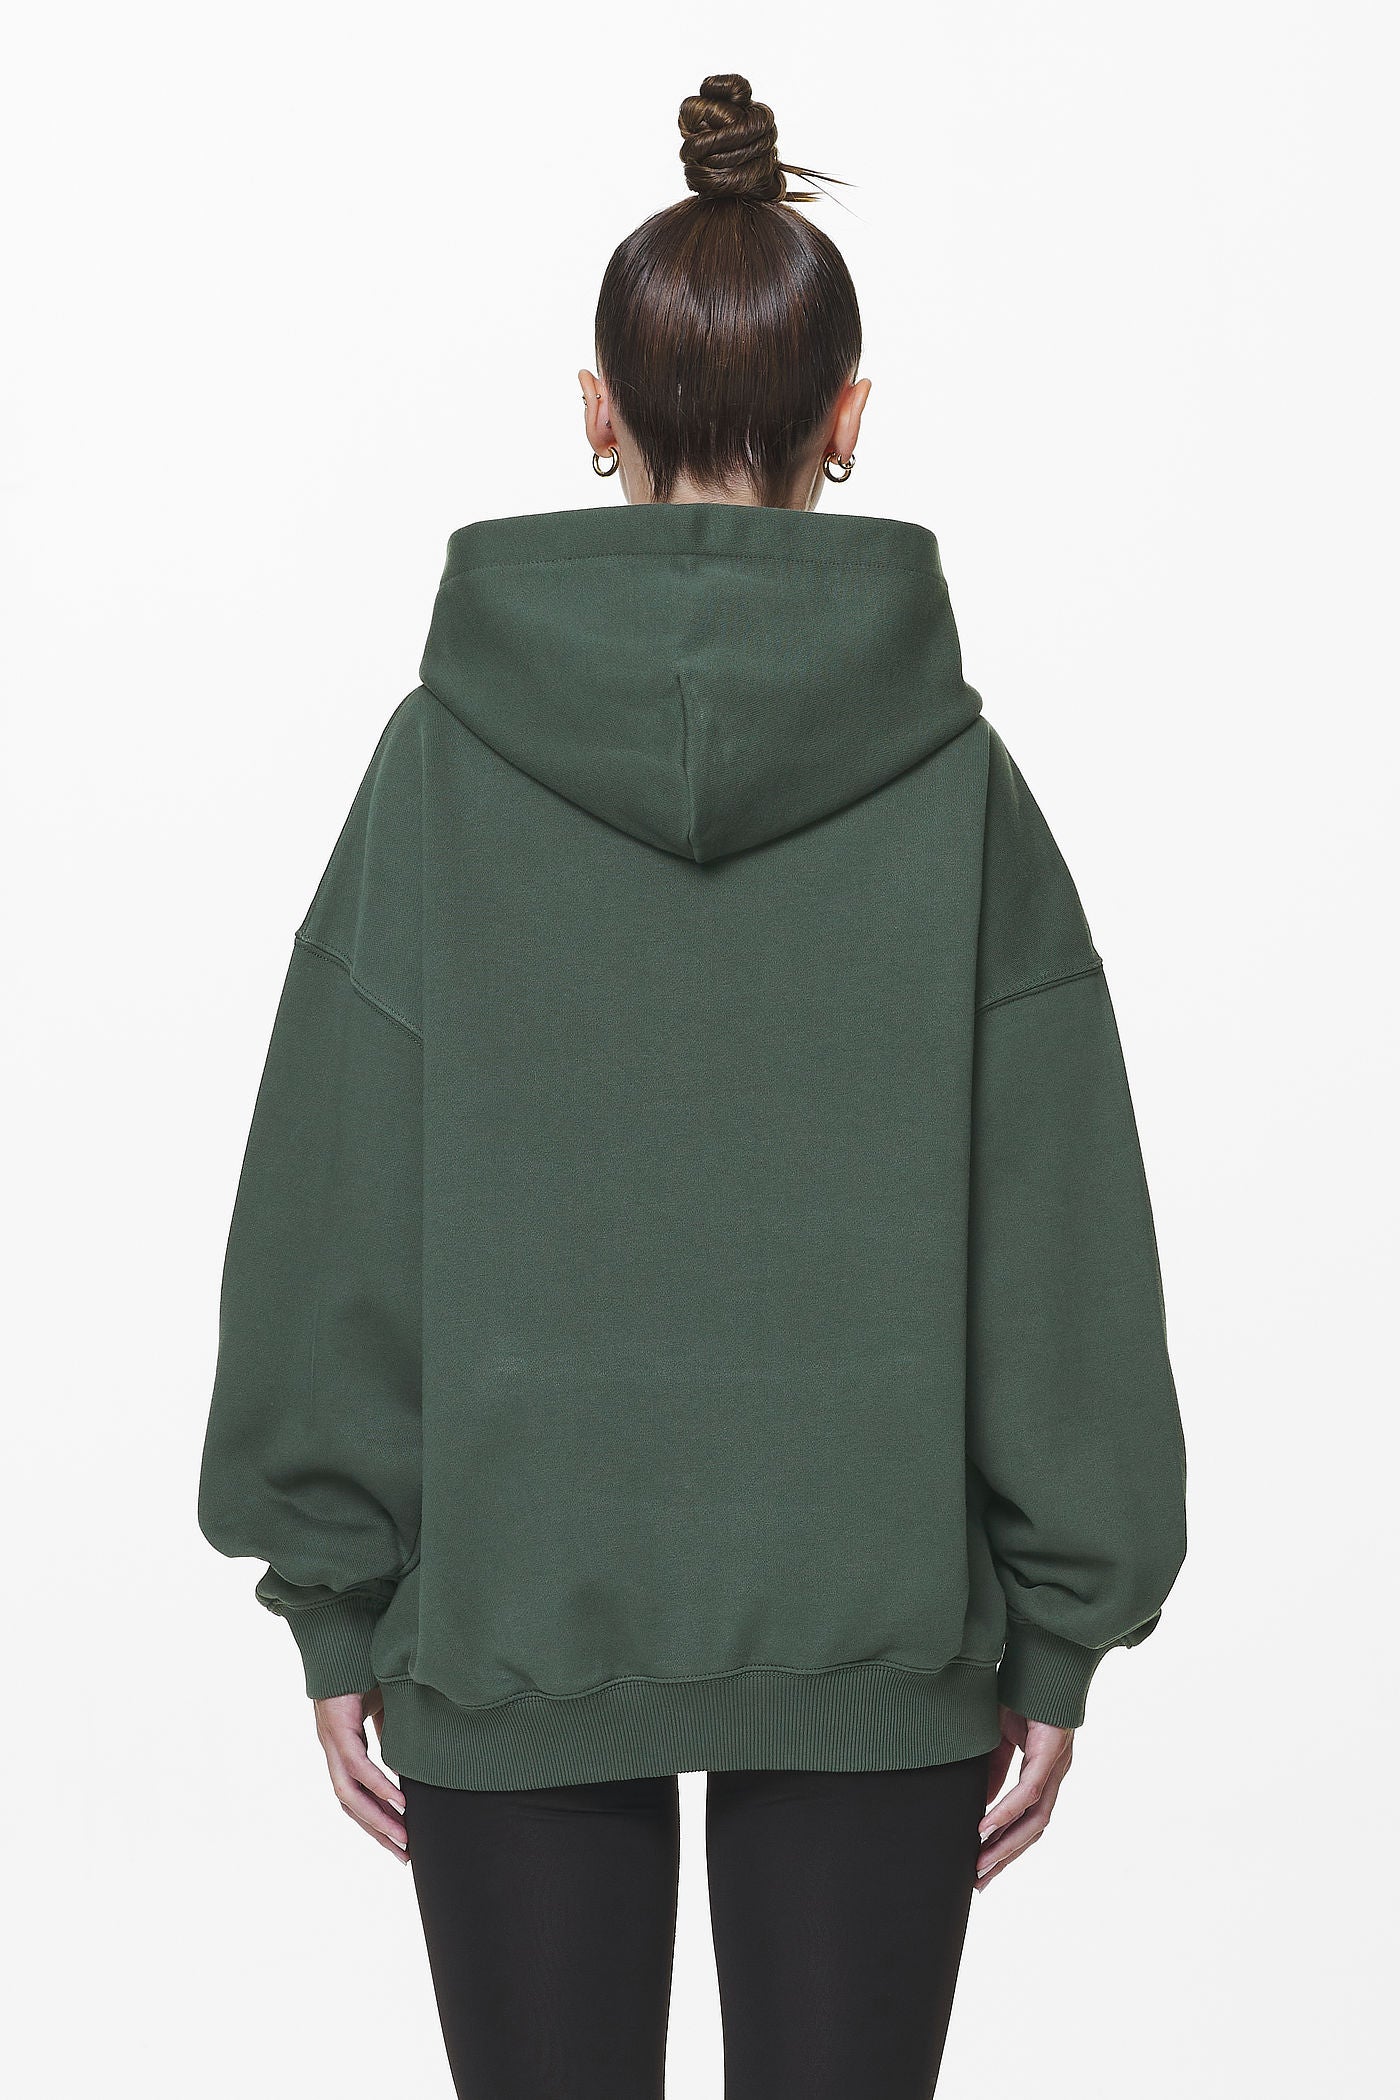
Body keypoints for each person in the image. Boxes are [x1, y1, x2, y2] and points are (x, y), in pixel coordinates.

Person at [197, 72, 1188, 2100]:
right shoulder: (958, 786)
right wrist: (1062, 1622)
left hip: (511, 1619)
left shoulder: (439, 772)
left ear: (597, 412)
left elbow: (334, 1198)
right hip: (877, 1630)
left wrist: (336, 1597)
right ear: (849, 417)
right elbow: (1060, 1228)